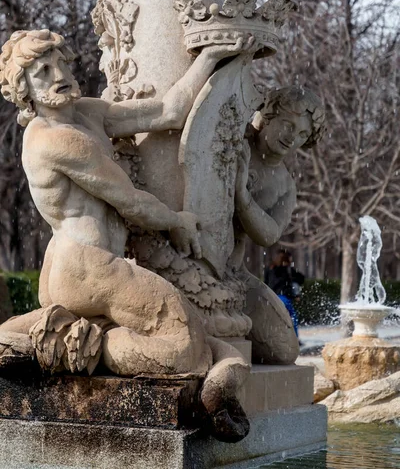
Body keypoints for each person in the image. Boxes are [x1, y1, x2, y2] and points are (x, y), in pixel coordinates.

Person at [0, 28, 253, 442]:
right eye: (43, 71)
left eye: (62, 61)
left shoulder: (87, 113)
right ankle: (81, 345)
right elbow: (130, 201)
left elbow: (168, 112)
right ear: (23, 88)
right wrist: (177, 221)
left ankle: (32, 339)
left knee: (201, 339)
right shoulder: (55, 139)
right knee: (185, 346)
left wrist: (208, 57)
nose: (60, 73)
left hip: (82, 267)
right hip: (87, 265)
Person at [232, 86, 325, 363]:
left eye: (302, 135)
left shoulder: (285, 185)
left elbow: (269, 234)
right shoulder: (233, 139)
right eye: (288, 125)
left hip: (233, 272)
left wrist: (242, 197)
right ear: (268, 116)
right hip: (190, 246)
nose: (291, 138)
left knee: (285, 351)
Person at [266, 250, 304, 338]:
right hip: (284, 298)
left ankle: (274, 338)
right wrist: (296, 295)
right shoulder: (288, 270)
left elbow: (266, 283)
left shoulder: (270, 268)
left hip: (271, 298)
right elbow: (300, 279)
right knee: (292, 318)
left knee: (274, 320)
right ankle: (294, 338)